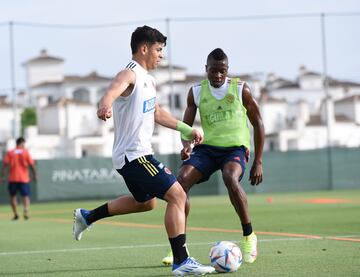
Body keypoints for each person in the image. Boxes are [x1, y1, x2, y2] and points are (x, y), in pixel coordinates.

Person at [72, 25, 215, 276]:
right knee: (178, 195)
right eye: (159, 49)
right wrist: (104, 106)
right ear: (144, 48)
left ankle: (87, 217)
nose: (161, 55)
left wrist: (187, 129)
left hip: (135, 154)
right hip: (134, 155)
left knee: (146, 203)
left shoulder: (149, 80)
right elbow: (110, 91)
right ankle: (181, 261)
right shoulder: (130, 74)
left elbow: (157, 113)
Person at [162, 48, 265, 266]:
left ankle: (248, 236)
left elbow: (259, 123)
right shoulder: (196, 92)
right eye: (213, 71)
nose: (217, 75)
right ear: (205, 69)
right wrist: (187, 146)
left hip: (234, 149)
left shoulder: (241, 89)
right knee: (180, 183)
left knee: (230, 176)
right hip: (207, 149)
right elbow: (186, 127)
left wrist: (258, 161)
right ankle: (179, 249)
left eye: (222, 71)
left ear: (227, 70)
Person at [0, 137, 37, 220]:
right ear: (22, 143)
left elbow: (5, 165)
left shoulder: (10, 152)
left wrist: (2, 176)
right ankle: (26, 211)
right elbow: (31, 164)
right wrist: (35, 174)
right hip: (23, 178)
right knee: (26, 196)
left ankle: (16, 213)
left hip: (13, 178)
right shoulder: (25, 152)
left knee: (13, 196)